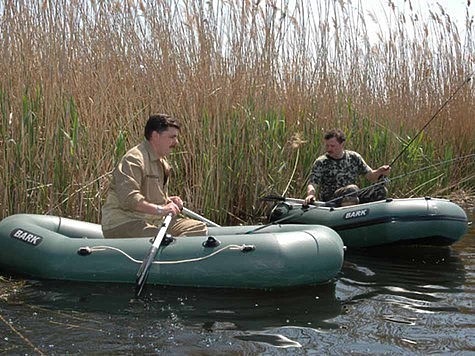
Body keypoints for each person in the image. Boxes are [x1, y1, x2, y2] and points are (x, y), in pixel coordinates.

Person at [101, 114, 208, 238]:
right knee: (162, 238)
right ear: (156, 136)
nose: (176, 142)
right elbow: (130, 199)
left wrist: (168, 201)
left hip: (152, 221)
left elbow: (153, 198)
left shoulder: (162, 163)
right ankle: (171, 250)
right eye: (172, 137)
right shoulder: (133, 160)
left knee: (198, 228)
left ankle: (175, 252)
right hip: (124, 222)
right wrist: (162, 210)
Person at [304, 129, 390, 207]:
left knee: (380, 190)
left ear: (342, 144)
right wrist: (310, 195)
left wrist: (380, 171)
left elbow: (371, 176)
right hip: (332, 199)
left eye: (332, 146)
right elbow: (312, 183)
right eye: (327, 146)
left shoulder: (354, 157)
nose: (329, 149)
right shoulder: (321, 162)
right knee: (352, 189)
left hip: (353, 194)